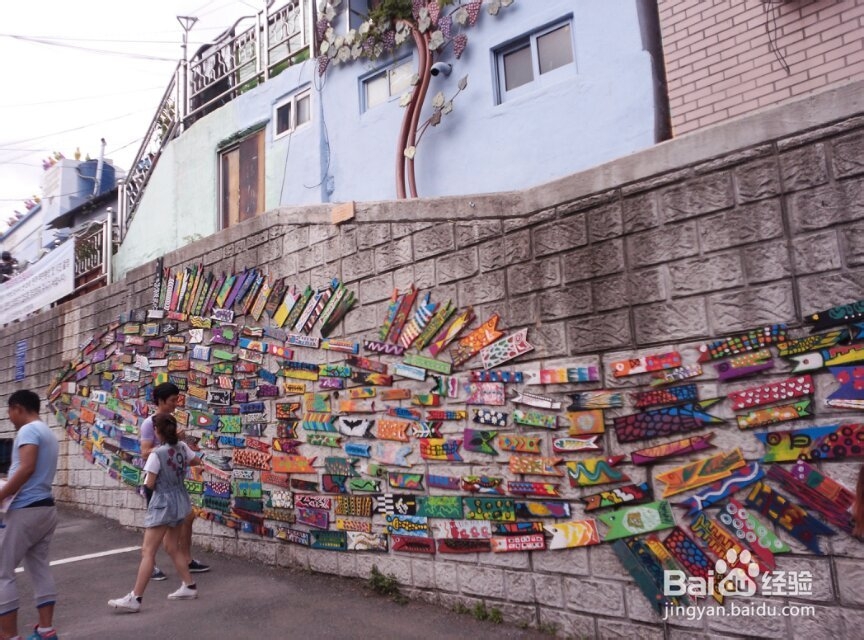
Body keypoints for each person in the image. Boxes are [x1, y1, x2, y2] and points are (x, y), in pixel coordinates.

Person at [108, 414, 201, 612]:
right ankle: (189, 585)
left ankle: (136, 597)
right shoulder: (182, 447)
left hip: (162, 503)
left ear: (157, 432)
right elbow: (195, 462)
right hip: (180, 500)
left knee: (148, 551)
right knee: (171, 546)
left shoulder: (156, 454)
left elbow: (149, 483)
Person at [0, 390, 60, 640]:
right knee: (39, 568)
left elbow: (26, 468)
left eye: (9, 411)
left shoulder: (27, 431)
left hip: (24, 509)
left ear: (17, 408)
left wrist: (1, 494)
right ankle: (46, 631)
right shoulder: (49, 433)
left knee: (2, 572)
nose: (9, 417)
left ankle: (9, 636)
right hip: (45, 507)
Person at [138, 382, 209, 580]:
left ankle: (186, 560)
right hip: (157, 482)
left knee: (187, 517)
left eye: (177, 400)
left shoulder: (169, 419)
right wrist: (169, 441)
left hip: (173, 482)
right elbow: (144, 452)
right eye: (171, 401)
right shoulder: (149, 423)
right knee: (157, 527)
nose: (175, 404)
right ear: (160, 401)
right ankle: (150, 565)